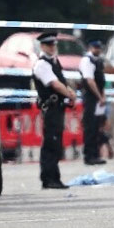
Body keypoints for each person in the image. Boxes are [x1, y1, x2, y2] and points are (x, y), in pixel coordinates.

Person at [32, 32, 77, 189]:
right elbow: (55, 84)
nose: (52, 47)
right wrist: (70, 94)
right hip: (51, 109)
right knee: (51, 143)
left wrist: (69, 92)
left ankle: (54, 177)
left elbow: (61, 81)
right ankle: (48, 178)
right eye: (49, 45)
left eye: (54, 45)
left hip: (58, 108)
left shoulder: (53, 62)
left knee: (56, 143)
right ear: (42, 46)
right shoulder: (42, 64)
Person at [79, 39, 109, 165]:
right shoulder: (87, 60)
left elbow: (101, 81)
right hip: (91, 98)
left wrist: (102, 96)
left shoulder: (98, 61)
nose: (98, 50)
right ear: (90, 47)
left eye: (99, 48)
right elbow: (90, 81)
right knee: (90, 127)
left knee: (96, 127)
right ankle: (89, 155)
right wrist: (99, 96)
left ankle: (95, 154)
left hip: (97, 98)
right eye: (96, 48)